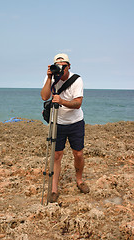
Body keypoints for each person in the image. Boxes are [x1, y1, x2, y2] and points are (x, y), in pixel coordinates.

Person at [41, 53, 90, 202]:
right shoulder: (52, 77)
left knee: (78, 154)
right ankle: (54, 189)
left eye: (64, 65)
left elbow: (77, 103)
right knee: (56, 155)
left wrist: (61, 100)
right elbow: (44, 97)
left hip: (75, 122)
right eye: (58, 64)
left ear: (69, 66)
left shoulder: (77, 80)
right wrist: (49, 78)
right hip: (58, 122)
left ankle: (79, 180)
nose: (61, 67)